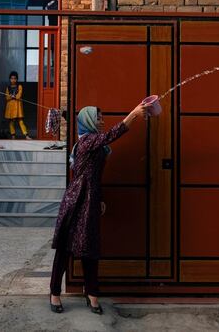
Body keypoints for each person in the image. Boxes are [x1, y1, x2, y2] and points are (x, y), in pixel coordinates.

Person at [49, 102, 149, 314]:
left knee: (90, 247)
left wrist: (100, 198)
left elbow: (95, 175)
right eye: (98, 118)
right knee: (65, 249)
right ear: (88, 121)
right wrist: (133, 114)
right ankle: (54, 293)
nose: (102, 121)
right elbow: (113, 134)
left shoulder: (96, 145)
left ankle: (92, 293)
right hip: (76, 200)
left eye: (102, 117)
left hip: (91, 200)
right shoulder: (87, 142)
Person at [4, 71, 31, 139]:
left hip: (17, 106)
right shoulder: (8, 87)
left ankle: (26, 135)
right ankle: (13, 135)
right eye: (12, 78)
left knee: (20, 121)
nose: (13, 80)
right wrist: (10, 96)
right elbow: (7, 97)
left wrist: (14, 96)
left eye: (14, 78)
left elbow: (19, 95)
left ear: (17, 79)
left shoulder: (19, 86)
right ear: (10, 79)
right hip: (10, 106)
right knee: (11, 121)